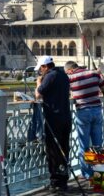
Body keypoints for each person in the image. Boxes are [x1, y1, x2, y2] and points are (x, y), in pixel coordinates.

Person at [64, 60, 104, 179]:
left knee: (84, 145)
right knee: (98, 144)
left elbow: (65, 92)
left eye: (67, 72)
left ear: (70, 70)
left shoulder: (70, 77)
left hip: (83, 112)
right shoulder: (93, 73)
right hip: (97, 110)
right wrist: (100, 74)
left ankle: (87, 174)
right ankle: (100, 172)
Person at [34, 56, 71, 193]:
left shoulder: (50, 76)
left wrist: (39, 82)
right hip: (66, 117)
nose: (40, 72)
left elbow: (38, 94)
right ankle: (63, 179)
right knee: (64, 148)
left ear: (45, 67)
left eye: (41, 69)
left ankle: (56, 181)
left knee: (53, 150)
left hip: (54, 118)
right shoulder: (63, 75)